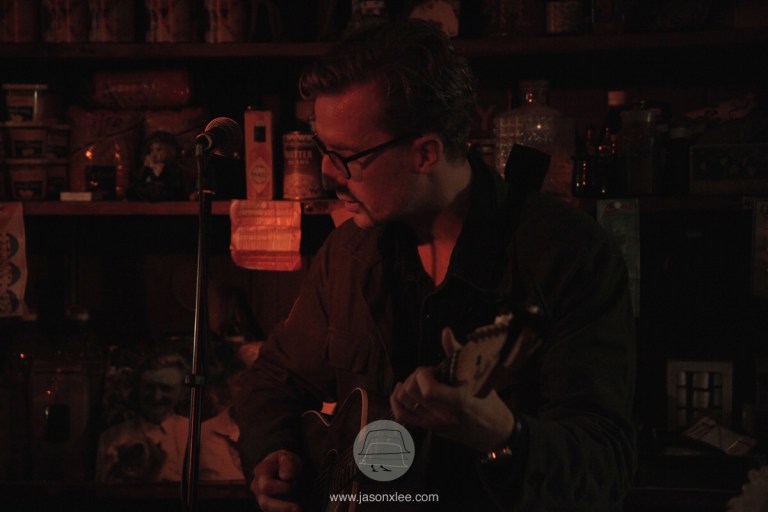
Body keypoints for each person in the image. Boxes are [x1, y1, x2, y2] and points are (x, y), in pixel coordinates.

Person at [233, 19, 636, 511]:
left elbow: (605, 467)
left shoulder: (567, 254)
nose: (326, 173)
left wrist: (503, 435)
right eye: (323, 149)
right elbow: (271, 381)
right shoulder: (348, 254)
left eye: (346, 156)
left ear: (424, 153)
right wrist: (272, 453)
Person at [95, 351, 190, 483]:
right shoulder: (110, 438)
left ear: (182, 392)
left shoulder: (196, 435)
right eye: (149, 387)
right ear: (138, 389)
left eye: (166, 388)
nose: (156, 396)